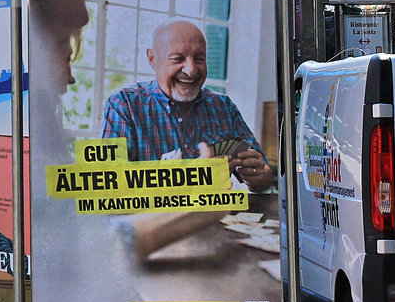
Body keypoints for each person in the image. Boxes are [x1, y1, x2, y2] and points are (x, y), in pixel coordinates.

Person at [100, 19, 274, 193]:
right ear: (152, 59)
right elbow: (108, 186)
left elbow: (265, 174)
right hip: (153, 219)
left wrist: (257, 175)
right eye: (178, 59)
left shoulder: (224, 107)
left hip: (216, 218)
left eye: (199, 59)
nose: (191, 70)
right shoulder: (124, 105)